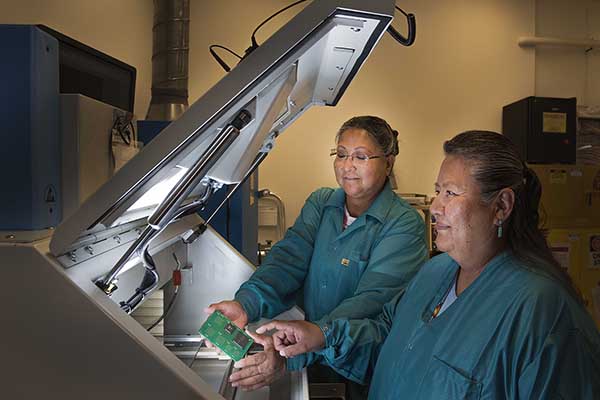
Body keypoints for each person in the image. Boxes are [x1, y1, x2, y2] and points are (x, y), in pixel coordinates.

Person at [259, 130, 600, 399]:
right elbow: (384, 339)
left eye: (450, 194)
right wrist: (321, 336)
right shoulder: (435, 272)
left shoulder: (543, 315)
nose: (435, 207)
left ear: (501, 206)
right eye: (437, 191)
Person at [205, 116, 429, 396]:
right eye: (342, 154)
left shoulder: (404, 224)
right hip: (314, 354)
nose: (347, 166)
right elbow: (287, 262)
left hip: (364, 369)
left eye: (361, 157)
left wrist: (300, 348)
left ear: (389, 161)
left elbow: (371, 301)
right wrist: (245, 304)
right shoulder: (322, 204)